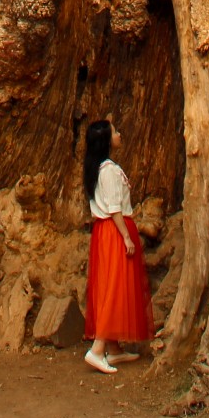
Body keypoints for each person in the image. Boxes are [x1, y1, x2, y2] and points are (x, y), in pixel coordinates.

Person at [82, 116, 153, 375]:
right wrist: (125, 236)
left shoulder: (97, 168)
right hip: (114, 231)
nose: (120, 134)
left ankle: (113, 348)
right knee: (115, 286)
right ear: (106, 141)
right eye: (115, 132)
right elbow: (114, 209)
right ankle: (98, 349)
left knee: (110, 284)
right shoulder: (109, 171)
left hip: (105, 233)